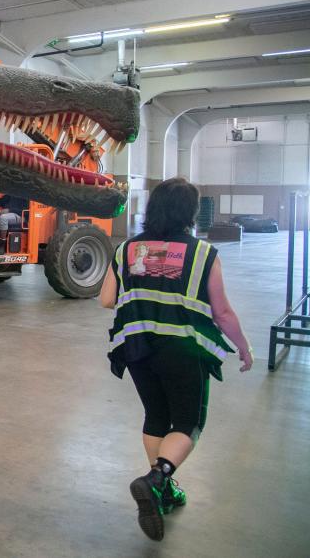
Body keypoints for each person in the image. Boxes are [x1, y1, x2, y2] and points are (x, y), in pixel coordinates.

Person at [98, 177, 253, 541]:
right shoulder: (202, 254)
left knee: (156, 415)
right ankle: (156, 478)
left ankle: (163, 491)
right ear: (190, 212)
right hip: (183, 349)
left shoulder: (127, 250)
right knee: (188, 422)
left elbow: (106, 300)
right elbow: (223, 312)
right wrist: (243, 346)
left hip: (136, 348)